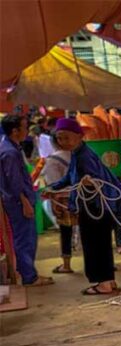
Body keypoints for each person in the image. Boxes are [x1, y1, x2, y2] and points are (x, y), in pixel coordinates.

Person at [46, 118, 121, 295]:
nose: (62, 142)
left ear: (79, 136)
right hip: (94, 206)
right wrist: (53, 188)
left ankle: (102, 283)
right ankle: (108, 280)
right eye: (59, 138)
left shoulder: (84, 156)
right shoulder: (77, 153)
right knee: (101, 244)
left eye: (66, 137)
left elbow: (94, 179)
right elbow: (69, 178)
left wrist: (88, 182)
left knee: (94, 245)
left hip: (94, 207)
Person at [0, 114, 53, 286]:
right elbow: (14, 181)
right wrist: (25, 202)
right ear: (15, 131)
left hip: (17, 199)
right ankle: (29, 276)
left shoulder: (10, 147)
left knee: (24, 238)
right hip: (18, 201)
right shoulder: (9, 152)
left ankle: (28, 273)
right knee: (25, 239)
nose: (26, 131)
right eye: (24, 128)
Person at [38, 134, 74, 274]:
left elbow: (53, 184)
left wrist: (55, 201)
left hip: (63, 200)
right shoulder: (77, 155)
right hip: (82, 197)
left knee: (66, 232)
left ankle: (66, 265)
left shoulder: (53, 159)